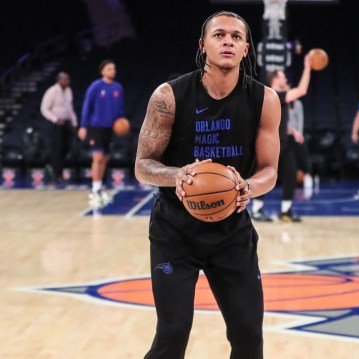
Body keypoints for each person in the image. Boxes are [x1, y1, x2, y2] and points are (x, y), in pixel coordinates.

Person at [134, 11, 281, 359]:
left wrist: (247, 186)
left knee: (248, 337)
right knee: (172, 333)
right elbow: (142, 165)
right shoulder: (168, 96)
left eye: (235, 36)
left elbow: (270, 171)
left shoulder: (265, 100)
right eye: (218, 35)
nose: (227, 41)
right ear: (203, 45)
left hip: (232, 235)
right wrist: (177, 176)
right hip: (175, 233)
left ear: (246, 48)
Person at [250, 60, 311, 223]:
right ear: (275, 79)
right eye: (283, 77)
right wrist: (308, 67)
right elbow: (302, 90)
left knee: (291, 175)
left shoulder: (277, 97)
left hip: (285, 141)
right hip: (271, 144)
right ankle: (256, 210)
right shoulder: (274, 95)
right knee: (266, 175)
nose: (286, 79)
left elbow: (280, 120)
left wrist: (292, 130)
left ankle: (285, 211)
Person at [78, 60, 124, 205]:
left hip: (110, 128)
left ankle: (100, 187)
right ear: (102, 71)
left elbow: (120, 109)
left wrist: (121, 124)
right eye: (109, 68)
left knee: (105, 159)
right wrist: (83, 126)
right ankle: (94, 189)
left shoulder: (118, 87)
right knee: (97, 157)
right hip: (96, 127)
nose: (113, 71)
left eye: (114, 68)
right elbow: (87, 105)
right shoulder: (96, 86)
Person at [40, 72, 78, 184]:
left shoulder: (68, 91)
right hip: (56, 124)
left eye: (68, 79)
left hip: (66, 123)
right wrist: (55, 119)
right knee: (57, 149)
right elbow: (44, 109)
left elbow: (70, 108)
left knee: (66, 147)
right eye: (65, 79)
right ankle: (57, 174)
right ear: (59, 80)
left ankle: (57, 170)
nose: (67, 81)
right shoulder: (51, 91)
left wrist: (74, 122)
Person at [289, 99, 313, 190]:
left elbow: (300, 119)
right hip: (283, 134)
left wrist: (298, 134)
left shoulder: (298, 103)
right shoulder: (279, 101)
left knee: (302, 150)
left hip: (296, 135)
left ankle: (307, 175)